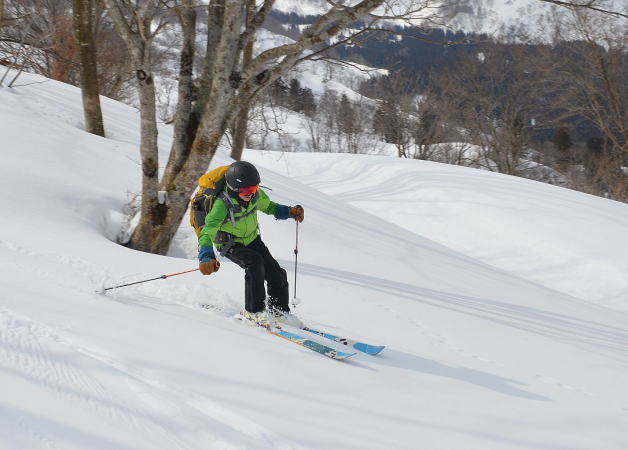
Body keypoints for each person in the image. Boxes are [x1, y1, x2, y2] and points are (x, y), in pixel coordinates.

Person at [197, 161, 304, 327]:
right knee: (254, 263)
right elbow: (207, 231)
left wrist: (289, 212)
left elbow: (269, 206)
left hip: (252, 239)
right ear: (234, 189)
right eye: (246, 190)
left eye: (254, 189)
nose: (251, 194)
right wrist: (206, 256)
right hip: (229, 243)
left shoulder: (255, 195)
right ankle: (254, 312)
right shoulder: (222, 204)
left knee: (277, 274)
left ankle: (279, 312)